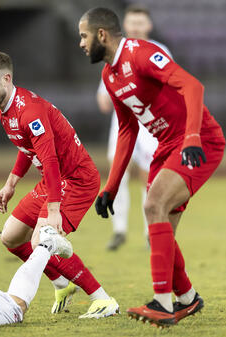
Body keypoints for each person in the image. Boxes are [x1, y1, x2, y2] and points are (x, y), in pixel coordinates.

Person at [79, 7, 225, 327]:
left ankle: (161, 302)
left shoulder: (143, 54)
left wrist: (192, 138)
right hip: (167, 145)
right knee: (164, 234)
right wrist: (112, 185)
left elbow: (193, 87)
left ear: (101, 35)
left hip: (199, 141)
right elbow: (127, 129)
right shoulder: (109, 75)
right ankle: (187, 298)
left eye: (84, 36)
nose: (81, 43)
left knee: (153, 205)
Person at [0, 50, 119, 318]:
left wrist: (53, 213)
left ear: (6, 78)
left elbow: (49, 160)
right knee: (12, 237)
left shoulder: (29, 111)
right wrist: (11, 183)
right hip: (56, 179)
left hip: (76, 179)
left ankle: (104, 300)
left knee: (44, 240)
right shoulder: (7, 109)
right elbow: (27, 147)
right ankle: (62, 283)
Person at [96, 5, 171, 251]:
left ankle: (151, 230)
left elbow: (172, 86)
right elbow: (103, 98)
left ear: (148, 26)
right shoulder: (115, 53)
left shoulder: (160, 51)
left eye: (141, 23)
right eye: (132, 23)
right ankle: (119, 229)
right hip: (123, 122)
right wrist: (108, 96)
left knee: (150, 175)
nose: (136, 27)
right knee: (119, 170)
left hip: (151, 123)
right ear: (125, 26)